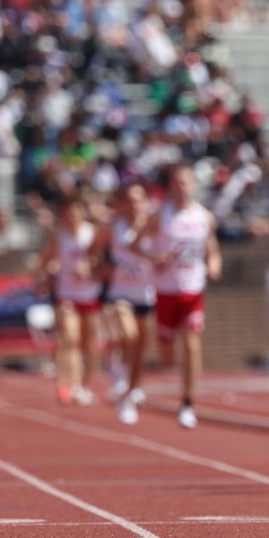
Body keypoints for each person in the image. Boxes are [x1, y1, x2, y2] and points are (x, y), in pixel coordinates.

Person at [143, 162, 222, 429]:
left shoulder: (204, 217)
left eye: (186, 182)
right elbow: (134, 244)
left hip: (193, 288)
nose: (182, 187)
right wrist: (155, 258)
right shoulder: (159, 215)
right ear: (170, 186)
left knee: (192, 345)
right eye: (177, 182)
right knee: (167, 354)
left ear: (194, 185)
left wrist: (214, 265)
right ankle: (162, 362)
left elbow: (212, 249)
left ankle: (188, 402)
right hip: (166, 290)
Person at [95, 181, 156, 425]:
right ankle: (117, 370)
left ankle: (128, 396)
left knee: (140, 350)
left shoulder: (153, 227)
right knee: (127, 335)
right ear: (120, 205)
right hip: (119, 294)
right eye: (129, 201)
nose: (134, 206)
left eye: (138, 200)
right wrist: (98, 266)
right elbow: (94, 252)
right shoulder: (112, 229)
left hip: (146, 294)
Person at [36, 194, 102, 407]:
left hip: (90, 295)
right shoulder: (59, 237)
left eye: (77, 212)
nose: (73, 216)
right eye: (69, 212)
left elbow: (102, 259)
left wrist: (89, 266)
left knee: (89, 344)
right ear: (64, 215)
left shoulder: (92, 234)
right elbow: (44, 260)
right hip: (67, 296)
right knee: (70, 338)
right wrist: (43, 277)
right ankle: (69, 385)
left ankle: (84, 385)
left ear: (83, 213)